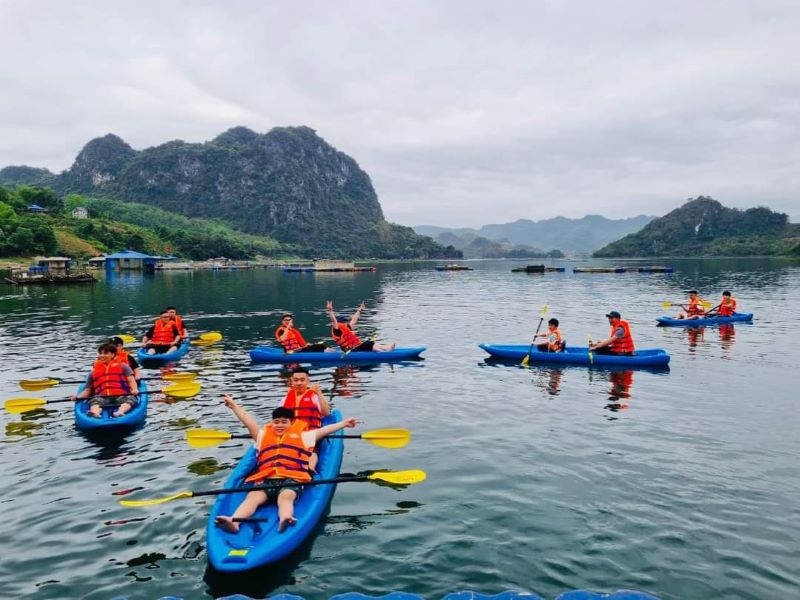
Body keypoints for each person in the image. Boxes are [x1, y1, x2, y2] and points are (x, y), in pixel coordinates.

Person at [214, 396, 358, 533]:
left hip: (292, 478)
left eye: (284, 422)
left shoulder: (304, 436)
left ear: (291, 423)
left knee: (286, 496)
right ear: (272, 423)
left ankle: (285, 518)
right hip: (266, 479)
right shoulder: (262, 435)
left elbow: (324, 430)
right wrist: (233, 406)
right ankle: (234, 522)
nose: (280, 425)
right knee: (252, 498)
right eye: (276, 422)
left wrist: (344, 423)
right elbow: (247, 420)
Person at [72, 343, 140, 418]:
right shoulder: (93, 372)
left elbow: (131, 380)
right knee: (95, 401)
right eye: (100, 353)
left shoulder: (123, 366)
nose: (102, 355)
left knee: (130, 399)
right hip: (102, 397)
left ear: (113, 354)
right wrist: (78, 397)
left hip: (121, 395)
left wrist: (135, 389)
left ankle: (120, 412)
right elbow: (87, 391)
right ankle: (95, 413)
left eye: (106, 353)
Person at [325, 300, 395, 352]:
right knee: (367, 344)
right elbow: (334, 320)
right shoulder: (336, 329)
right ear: (340, 323)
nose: (346, 323)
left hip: (355, 347)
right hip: (349, 350)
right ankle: (384, 353)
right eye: (344, 322)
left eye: (345, 322)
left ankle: (386, 347)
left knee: (369, 342)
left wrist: (359, 310)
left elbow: (354, 320)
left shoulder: (346, 327)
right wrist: (330, 311)